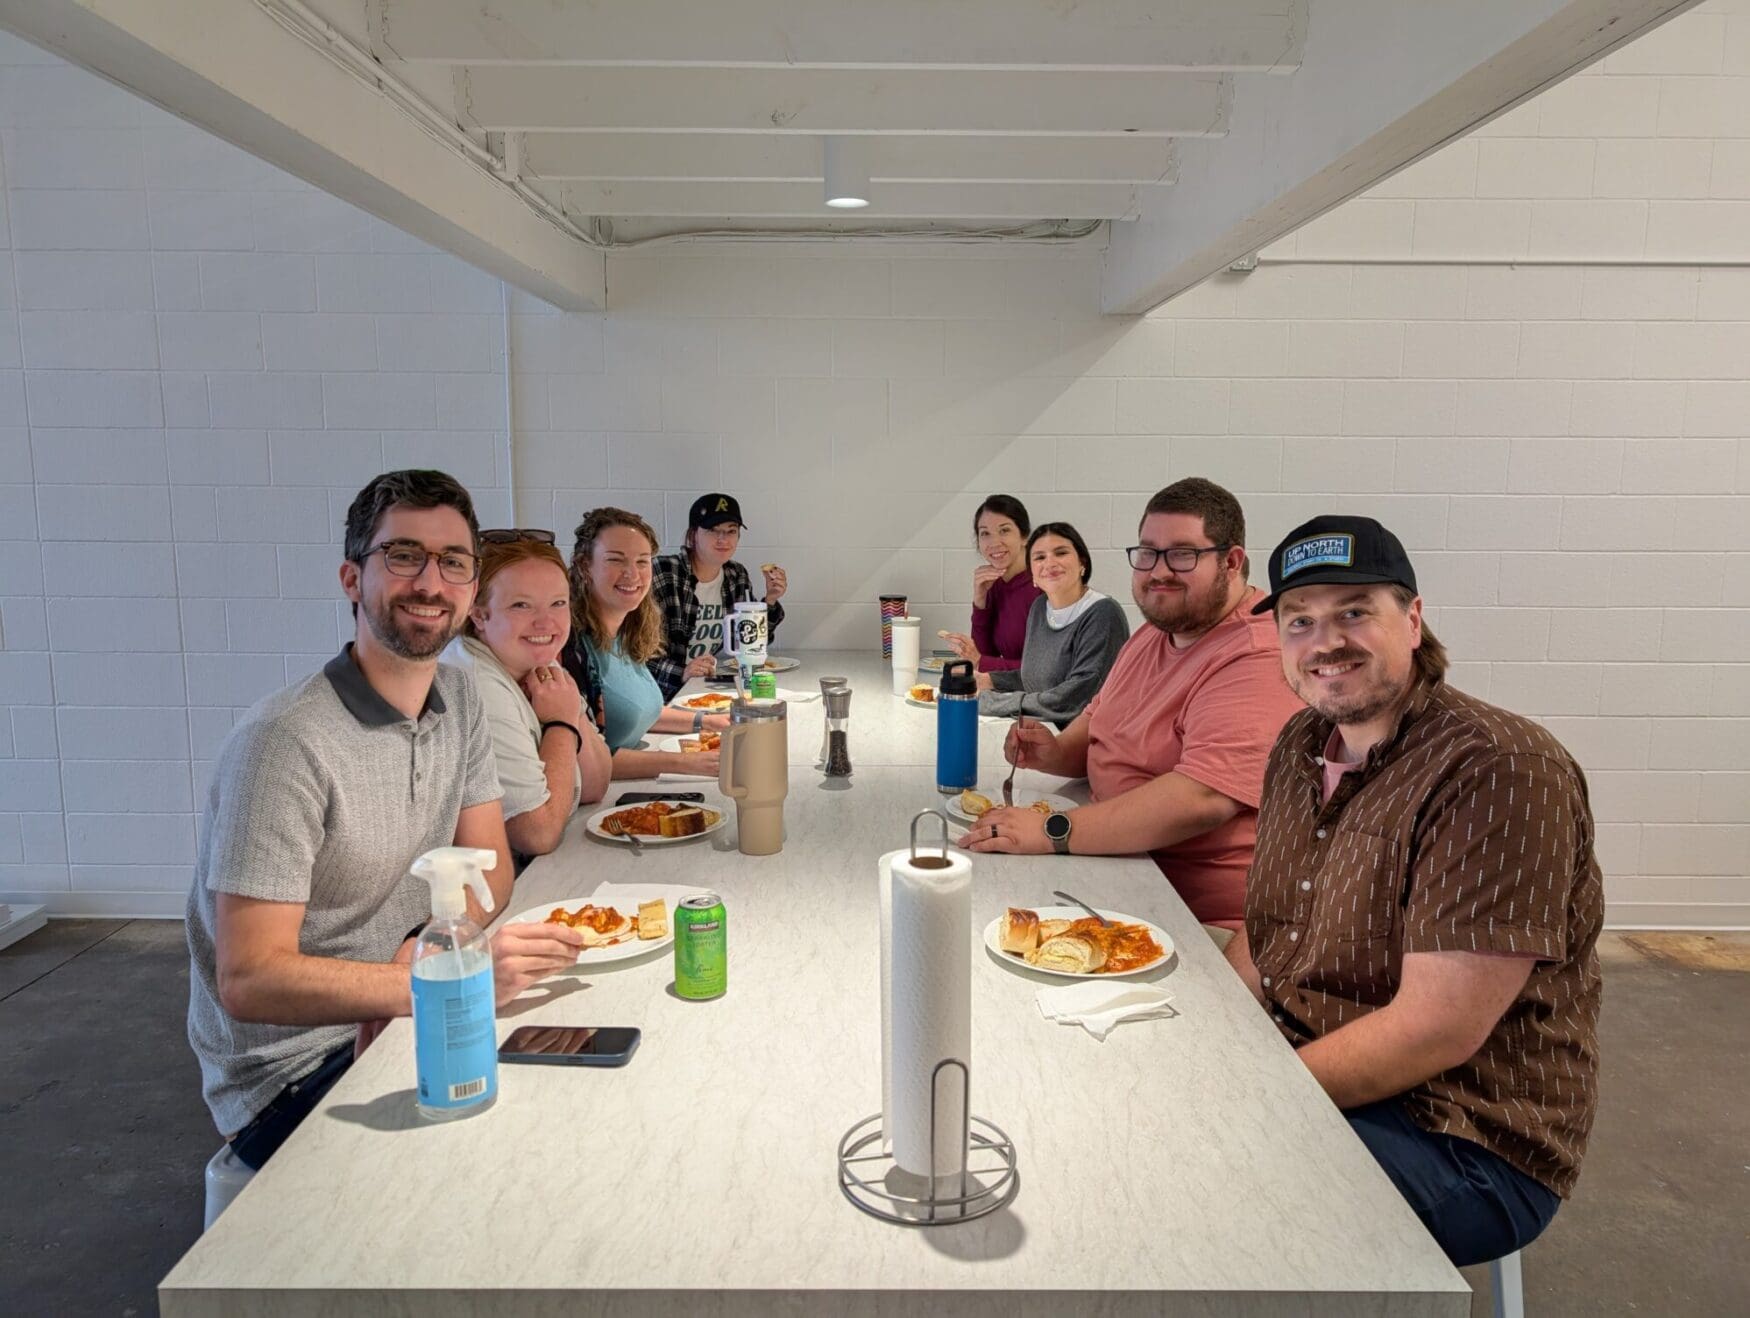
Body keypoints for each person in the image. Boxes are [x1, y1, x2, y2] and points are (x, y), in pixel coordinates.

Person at [1226, 515, 1601, 1267]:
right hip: (1312, 1060)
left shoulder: (1500, 769)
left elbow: (1439, 1029)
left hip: (1463, 1135)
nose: (1324, 641)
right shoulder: (1301, 744)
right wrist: (1223, 1045)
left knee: (1188, 1194)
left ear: (1414, 618)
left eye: (1355, 612)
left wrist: (1245, 1097)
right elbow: (1262, 931)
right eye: (1300, 621)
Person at [184, 470, 584, 1169]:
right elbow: (248, 977)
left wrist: (415, 960)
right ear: (351, 578)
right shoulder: (283, 742)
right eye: (403, 556)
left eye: (453, 563)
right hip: (295, 1075)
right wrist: (426, 980)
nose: (431, 582)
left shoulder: (458, 700)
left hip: (408, 1013)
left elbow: (490, 880)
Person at [962, 478, 1304, 945]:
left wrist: (1053, 831)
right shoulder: (1157, 631)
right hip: (1116, 866)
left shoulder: (1255, 651)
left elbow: (1201, 799)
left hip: (1188, 918)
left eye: (1183, 554)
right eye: (1147, 553)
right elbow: (1095, 730)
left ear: (1231, 561)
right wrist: (1052, 753)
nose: (1158, 571)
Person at [442, 529, 612, 865]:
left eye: (558, 603)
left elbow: (595, 785)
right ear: (478, 613)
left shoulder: (536, 661)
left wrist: (570, 712)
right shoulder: (475, 684)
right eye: (521, 605)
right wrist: (562, 724)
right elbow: (537, 833)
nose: (545, 622)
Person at [561, 506, 730, 779]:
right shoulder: (572, 649)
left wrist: (707, 722)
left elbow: (636, 711)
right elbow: (584, 763)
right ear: (584, 566)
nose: (632, 574)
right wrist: (685, 762)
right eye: (616, 560)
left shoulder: (626, 634)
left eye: (642, 561)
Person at [976, 521, 1130, 727]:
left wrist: (992, 702)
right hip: (1047, 734)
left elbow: (1075, 699)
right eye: (1039, 557)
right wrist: (990, 681)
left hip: (1089, 745)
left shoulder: (1103, 613)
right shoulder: (1040, 607)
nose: (1049, 563)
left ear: (1082, 562)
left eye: (1061, 553)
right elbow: (1040, 680)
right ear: (1032, 574)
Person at [647, 492, 788, 701]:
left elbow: (749, 642)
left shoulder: (736, 575)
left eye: (731, 531)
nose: (723, 539)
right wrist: (683, 672)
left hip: (704, 688)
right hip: (659, 694)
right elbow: (633, 648)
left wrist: (770, 600)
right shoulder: (663, 571)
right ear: (694, 534)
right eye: (714, 530)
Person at [939, 494, 1042, 674]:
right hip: (1009, 691)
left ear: (1025, 537)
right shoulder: (994, 585)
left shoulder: (1044, 586)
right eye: (985, 533)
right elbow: (984, 655)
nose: (994, 542)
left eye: (1004, 530)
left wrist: (980, 662)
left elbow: (1045, 670)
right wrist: (980, 601)